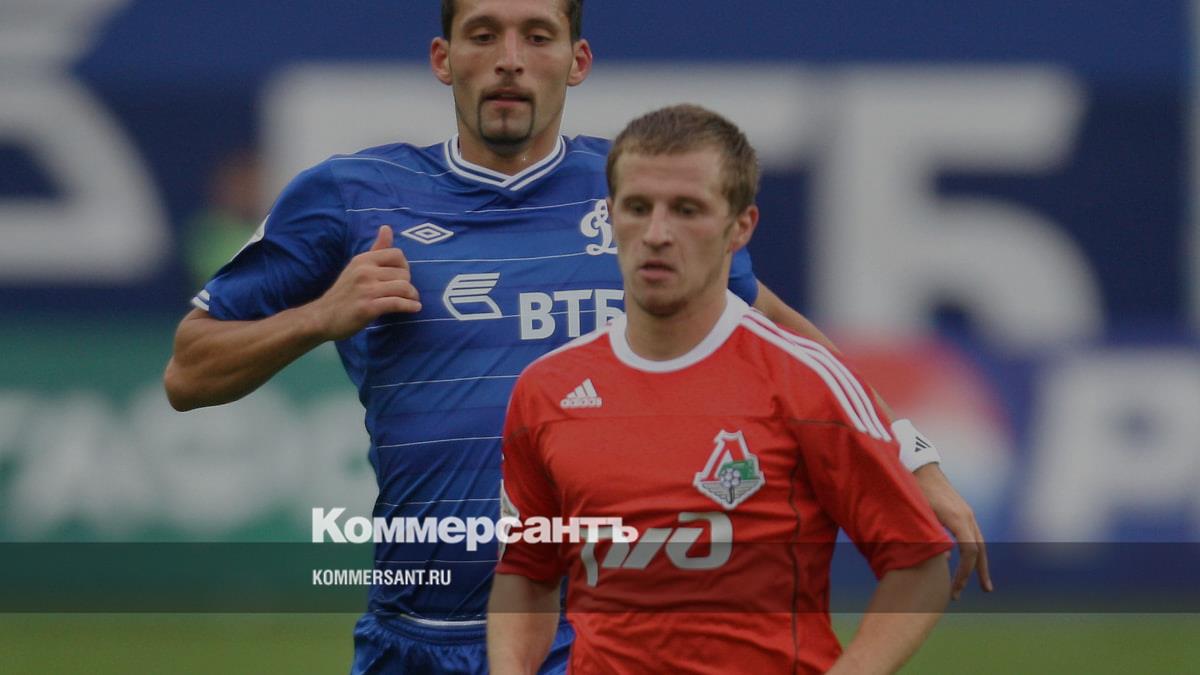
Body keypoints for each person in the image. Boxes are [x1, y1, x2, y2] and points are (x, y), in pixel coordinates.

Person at [163, 1, 986, 672]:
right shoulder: (350, 195)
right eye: (482, 34)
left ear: (577, 60)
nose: (509, 59)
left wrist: (913, 457)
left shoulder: (635, 193)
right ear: (443, 58)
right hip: (412, 627)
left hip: (586, 633)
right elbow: (189, 369)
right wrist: (320, 315)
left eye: (537, 36)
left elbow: (779, 332)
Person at [488, 103, 951, 674]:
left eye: (687, 210)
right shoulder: (547, 389)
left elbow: (919, 565)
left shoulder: (805, 380)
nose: (657, 234)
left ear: (740, 227)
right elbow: (527, 573)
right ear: (610, 216)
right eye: (638, 208)